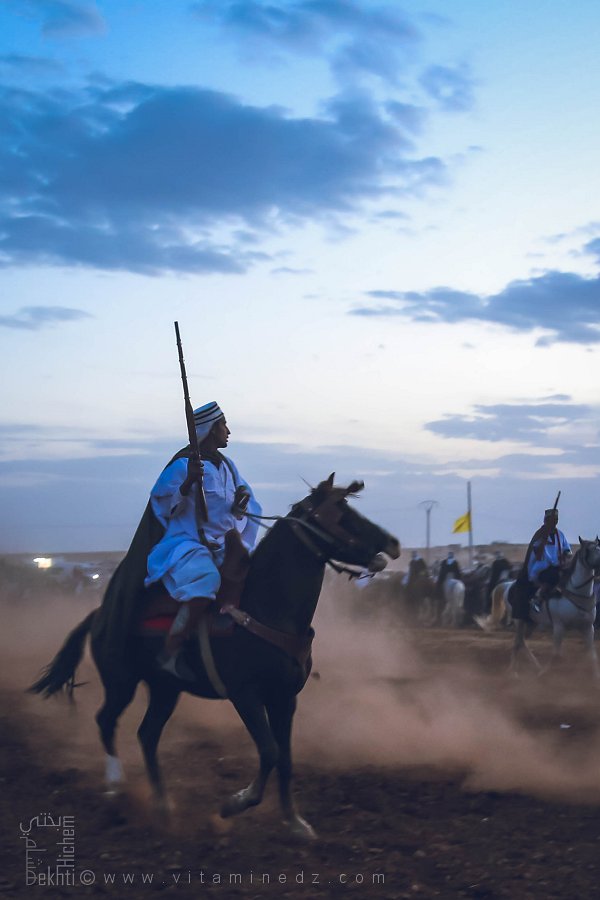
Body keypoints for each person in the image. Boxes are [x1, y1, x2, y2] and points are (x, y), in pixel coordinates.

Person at [145, 401, 262, 675]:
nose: (228, 431)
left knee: (255, 575)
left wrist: (241, 505)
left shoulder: (229, 467)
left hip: (223, 544)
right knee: (208, 580)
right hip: (187, 545)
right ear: (210, 429)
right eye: (224, 425)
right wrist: (186, 484)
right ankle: (170, 652)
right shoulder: (183, 465)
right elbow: (162, 506)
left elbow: (245, 508)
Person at [511, 507, 571, 625]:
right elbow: (535, 552)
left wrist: (566, 554)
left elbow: (567, 549)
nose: (554, 522)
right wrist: (540, 547)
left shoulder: (560, 534)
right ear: (546, 520)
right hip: (541, 567)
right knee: (553, 576)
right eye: (552, 520)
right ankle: (537, 599)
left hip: (558, 565)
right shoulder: (540, 535)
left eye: (556, 520)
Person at [434, 551, 461, 623]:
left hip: (446, 579)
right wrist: (460, 580)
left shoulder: (444, 562)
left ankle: (439, 597)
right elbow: (458, 573)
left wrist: (439, 582)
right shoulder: (456, 562)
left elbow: (441, 573)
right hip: (455, 579)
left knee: (438, 587)